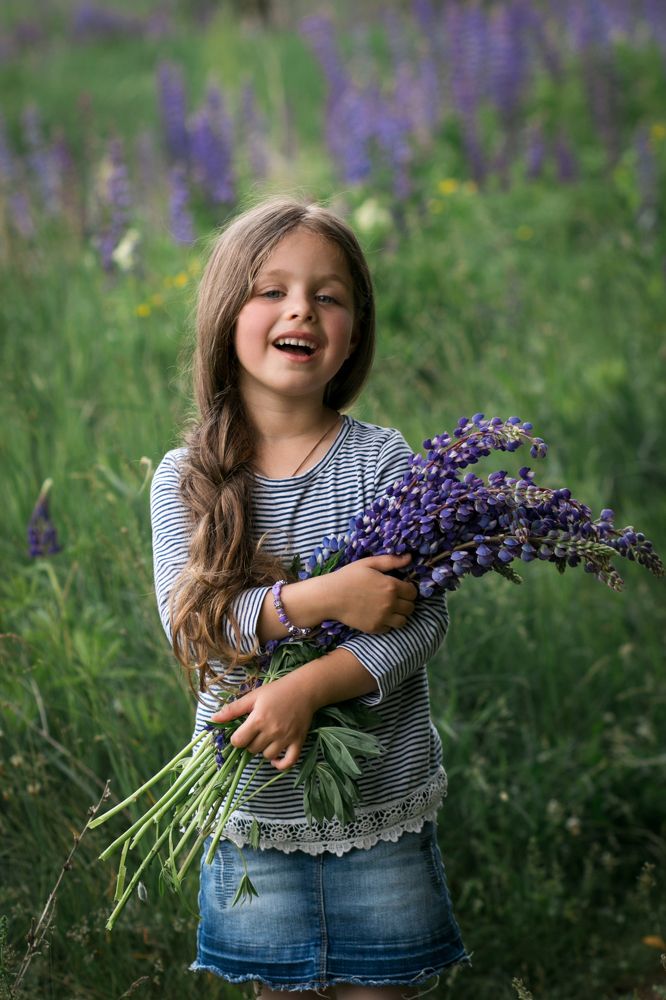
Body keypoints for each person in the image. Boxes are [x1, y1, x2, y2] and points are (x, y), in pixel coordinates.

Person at [150, 197, 469, 999]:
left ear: (354, 333)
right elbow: (196, 628)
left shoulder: (382, 464)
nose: (302, 309)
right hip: (254, 808)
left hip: (378, 807)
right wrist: (321, 597)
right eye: (272, 291)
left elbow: (419, 622)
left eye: (329, 296)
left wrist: (306, 686)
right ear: (227, 315)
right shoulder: (183, 478)